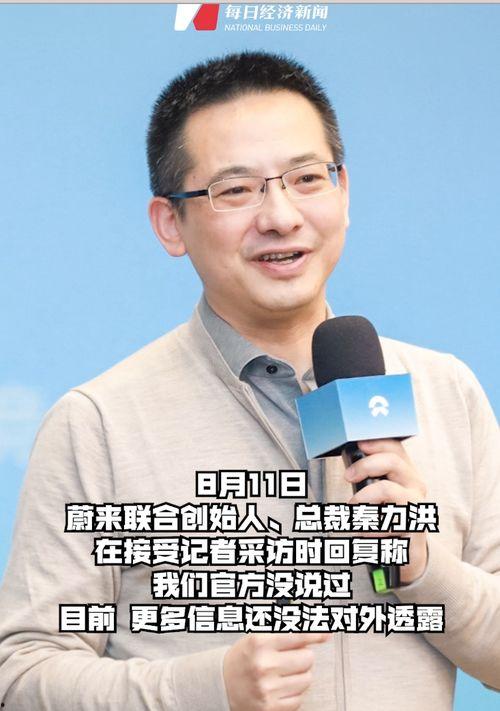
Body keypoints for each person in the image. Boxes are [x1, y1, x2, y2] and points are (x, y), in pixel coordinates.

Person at [0, 51, 498, 711]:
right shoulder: (98, 422)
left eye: (307, 178)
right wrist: (209, 687)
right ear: (170, 223)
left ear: (344, 192)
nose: (281, 216)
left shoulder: (446, 391)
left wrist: (423, 567)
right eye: (236, 190)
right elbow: (22, 676)